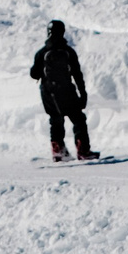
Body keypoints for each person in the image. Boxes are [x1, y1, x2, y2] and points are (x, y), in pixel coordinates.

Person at [29, 20, 96, 162]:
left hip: (48, 93)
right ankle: (83, 149)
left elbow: (34, 74)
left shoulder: (42, 53)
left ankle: (58, 150)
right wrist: (83, 93)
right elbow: (77, 74)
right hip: (67, 91)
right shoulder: (69, 52)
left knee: (55, 119)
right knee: (78, 118)